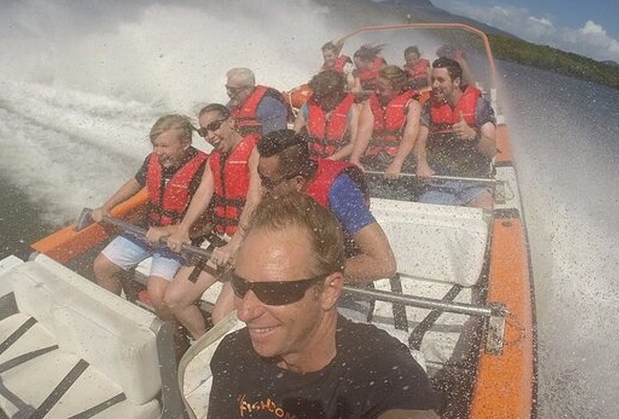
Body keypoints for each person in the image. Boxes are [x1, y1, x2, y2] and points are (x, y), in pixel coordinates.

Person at [207, 192, 439, 419]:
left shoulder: (380, 372)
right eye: (239, 285)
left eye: (274, 291)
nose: (244, 312)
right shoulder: (235, 353)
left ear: (329, 291)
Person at [91, 114, 207, 320]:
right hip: (148, 228)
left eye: (164, 146)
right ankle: (117, 318)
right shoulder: (153, 160)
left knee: (157, 292)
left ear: (186, 144)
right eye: (155, 145)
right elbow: (136, 183)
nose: (158, 152)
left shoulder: (204, 169)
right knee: (102, 266)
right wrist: (106, 206)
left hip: (179, 240)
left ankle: (173, 337)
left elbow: (207, 222)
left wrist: (167, 231)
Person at [165, 104, 262, 339]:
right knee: (174, 299)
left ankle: (228, 354)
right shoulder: (214, 159)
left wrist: (236, 243)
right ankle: (204, 346)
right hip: (220, 240)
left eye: (214, 127)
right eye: (203, 132)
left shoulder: (255, 150)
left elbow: (255, 199)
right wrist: (183, 229)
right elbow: (203, 193)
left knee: (221, 319)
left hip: (249, 241)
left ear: (231, 121)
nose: (210, 136)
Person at [256, 129, 395, 284]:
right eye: (260, 177)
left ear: (298, 182)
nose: (262, 188)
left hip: (345, 291)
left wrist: (311, 270)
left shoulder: (339, 190)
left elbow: (384, 264)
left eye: (269, 182)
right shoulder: (278, 191)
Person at [415, 58, 497, 209]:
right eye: (433, 80)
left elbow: (491, 150)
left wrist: (472, 135)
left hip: (475, 183)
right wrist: (422, 163)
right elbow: (420, 141)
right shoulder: (429, 107)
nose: (434, 85)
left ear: (456, 82)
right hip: (439, 183)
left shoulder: (479, 106)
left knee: (485, 208)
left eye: (441, 80)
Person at [350, 64, 422, 179]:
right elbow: (364, 132)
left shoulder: (412, 105)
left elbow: (410, 136)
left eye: (382, 89)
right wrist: (355, 158)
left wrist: (397, 163)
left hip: (400, 158)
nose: (377, 92)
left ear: (396, 88)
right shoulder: (370, 104)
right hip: (373, 157)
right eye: (376, 87)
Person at [293, 70, 361, 160]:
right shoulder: (308, 107)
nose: (318, 100)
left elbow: (355, 143)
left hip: (339, 162)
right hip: (312, 160)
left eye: (322, 96)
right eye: (317, 96)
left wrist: (332, 158)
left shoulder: (352, 110)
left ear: (336, 95)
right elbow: (294, 136)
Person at [225, 67, 289, 136]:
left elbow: (276, 139)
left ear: (248, 89)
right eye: (227, 88)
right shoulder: (230, 106)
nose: (228, 93)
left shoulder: (268, 105)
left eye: (232, 90)